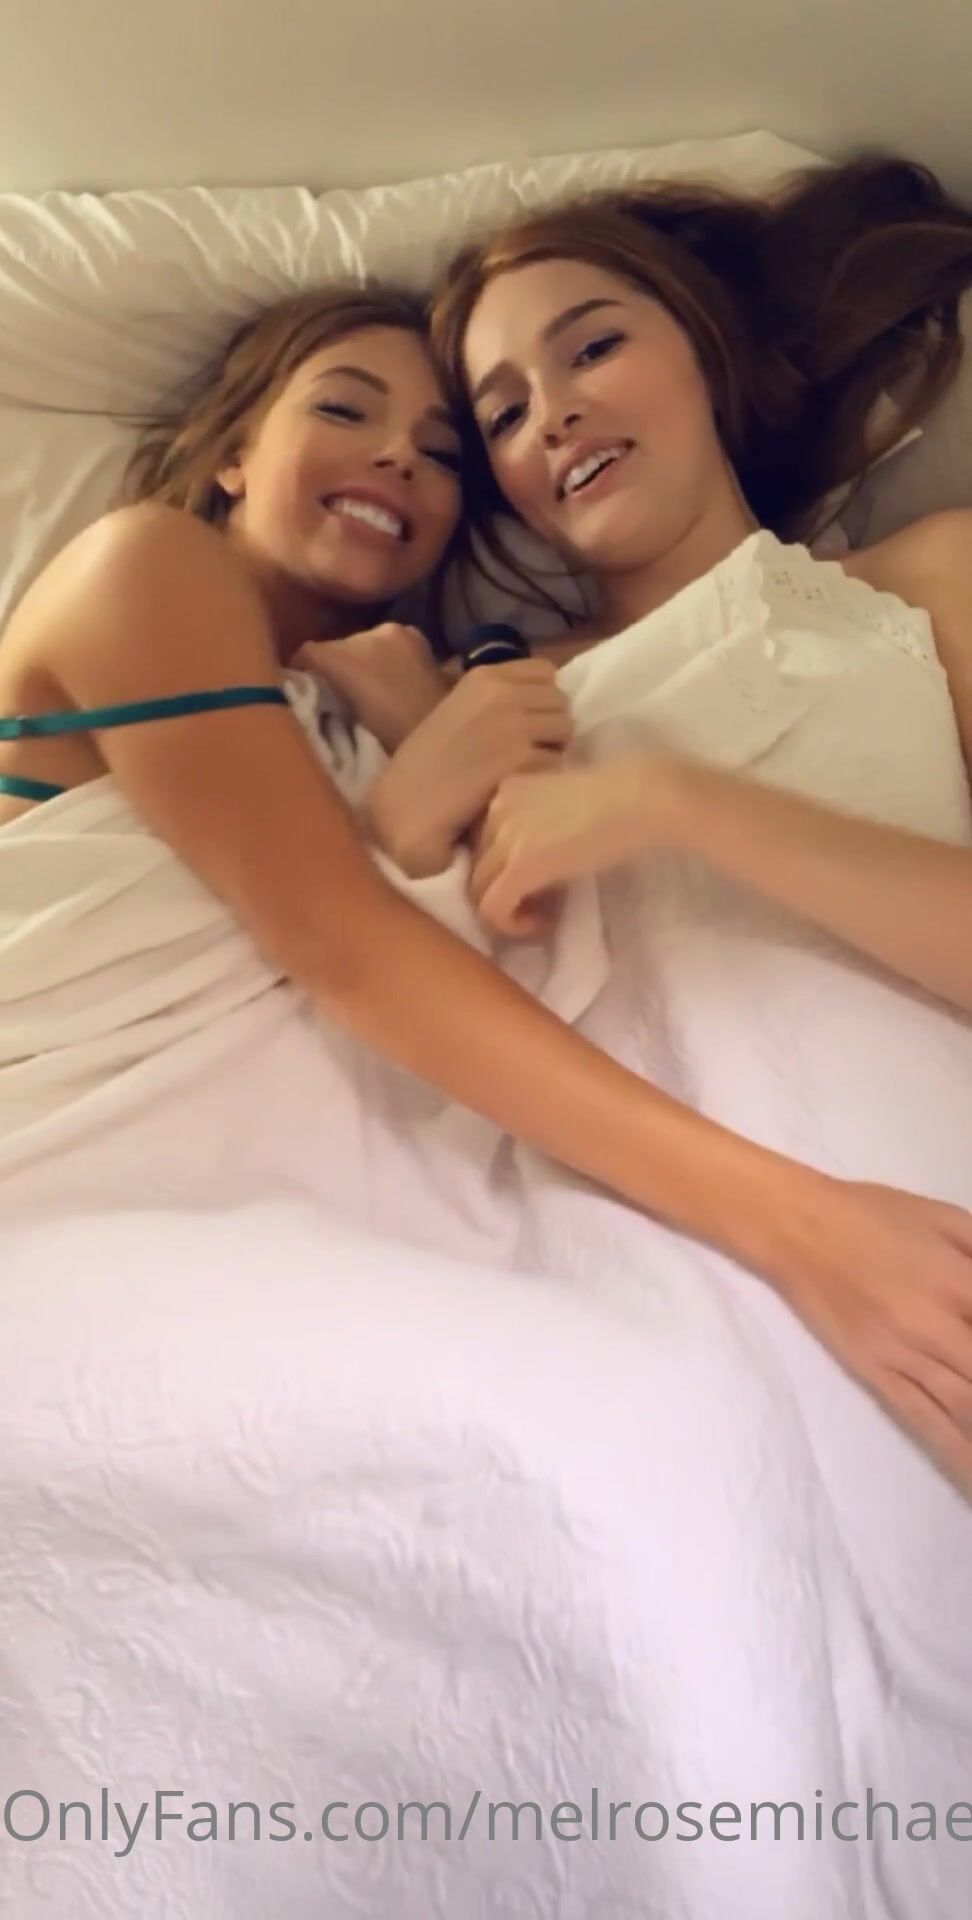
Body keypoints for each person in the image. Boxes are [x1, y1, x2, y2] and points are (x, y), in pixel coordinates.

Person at [1, 278, 971, 1497]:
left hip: (292, 1206)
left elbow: (471, 956)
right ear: (236, 451)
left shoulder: (406, 706)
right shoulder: (146, 563)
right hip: (74, 1170)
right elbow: (343, 948)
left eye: (442, 448)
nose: (396, 458)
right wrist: (800, 1223)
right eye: (344, 410)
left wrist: (422, 770)